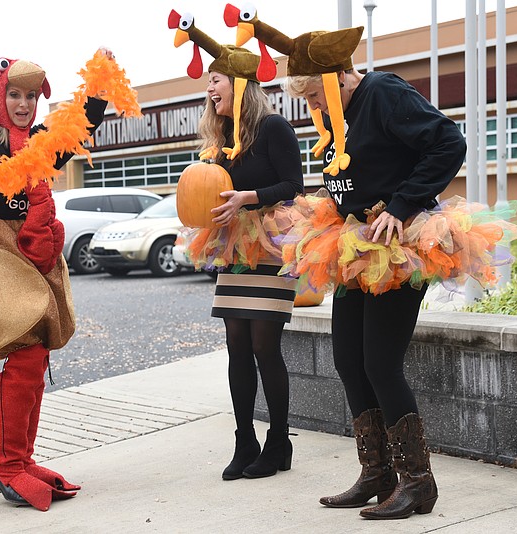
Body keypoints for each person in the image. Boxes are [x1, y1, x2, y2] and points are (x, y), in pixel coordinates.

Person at [0, 37, 131, 511]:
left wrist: (99, 83)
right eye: (14, 94)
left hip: (35, 255)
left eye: (32, 96)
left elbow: (79, 128)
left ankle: (16, 460)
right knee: (26, 358)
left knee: (32, 360)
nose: (23, 104)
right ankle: (7, 464)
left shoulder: (42, 146)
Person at [286, 51, 467, 521]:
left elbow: (449, 142)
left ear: (339, 78)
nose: (316, 110)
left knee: (381, 363)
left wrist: (402, 203)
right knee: (348, 360)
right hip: (352, 243)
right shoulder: (337, 112)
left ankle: (418, 483)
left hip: (400, 245)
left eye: (315, 98)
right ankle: (377, 474)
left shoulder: (383, 93)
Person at [168, 12, 304, 480]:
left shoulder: (273, 128)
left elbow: (294, 185)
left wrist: (250, 197)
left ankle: (279, 442)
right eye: (209, 81)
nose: (211, 88)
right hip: (233, 250)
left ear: (242, 85)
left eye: (218, 80)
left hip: (268, 247)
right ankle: (244, 440)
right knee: (236, 345)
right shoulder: (222, 140)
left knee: (266, 346)